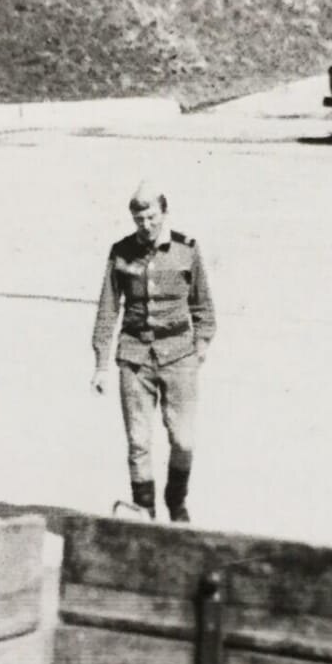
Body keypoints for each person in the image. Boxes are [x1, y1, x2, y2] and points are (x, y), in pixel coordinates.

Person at [91, 180, 216, 522]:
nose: (146, 225)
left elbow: (204, 308)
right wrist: (101, 365)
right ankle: (144, 515)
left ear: (164, 212)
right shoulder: (121, 252)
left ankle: (176, 502)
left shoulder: (187, 250)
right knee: (138, 442)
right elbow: (107, 309)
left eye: (152, 218)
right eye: (139, 219)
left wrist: (200, 348)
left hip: (179, 356)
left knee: (183, 440)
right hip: (134, 358)